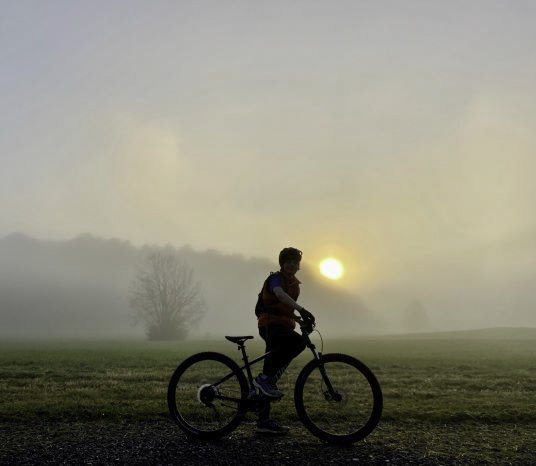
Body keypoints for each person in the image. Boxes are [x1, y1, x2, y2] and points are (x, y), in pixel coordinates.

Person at [253, 247, 315, 435]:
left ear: (299, 266)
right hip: (270, 325)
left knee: (271, 374)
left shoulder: (294, 284)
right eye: (288, 261)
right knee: (298, 344)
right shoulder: (276, 279)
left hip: (282, 325)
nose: (292, 264)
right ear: (282, 264)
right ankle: (263, 380)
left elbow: (284, 308)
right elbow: (279, 295)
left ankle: (263, 421)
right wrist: (302, 310)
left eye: (295, 262)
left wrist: (298, 319)